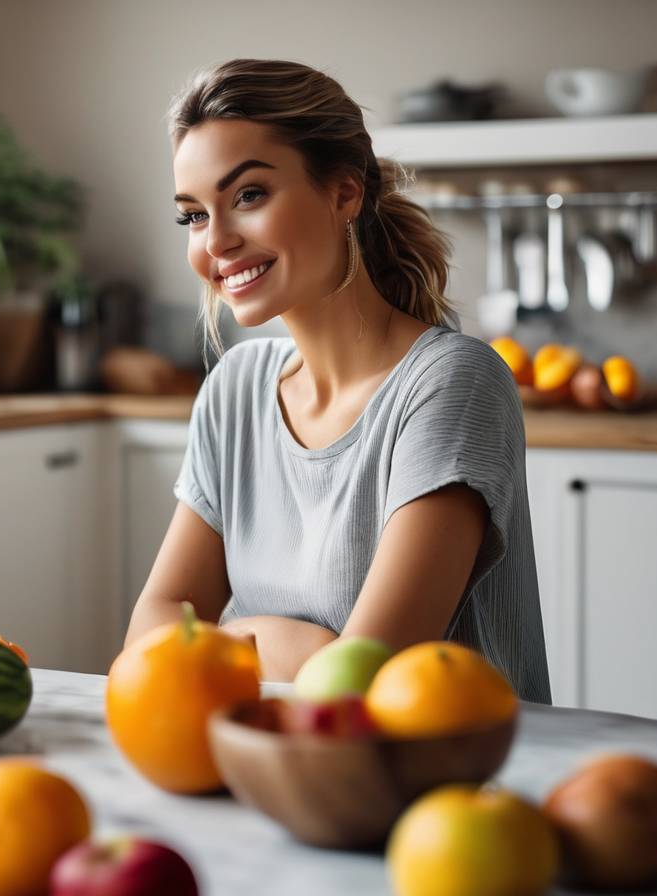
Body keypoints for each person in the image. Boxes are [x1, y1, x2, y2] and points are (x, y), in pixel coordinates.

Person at [123, 59, 550, 702]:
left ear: (345, 192)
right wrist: (301, 648)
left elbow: (363, 685)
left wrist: (226, 639)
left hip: (455, 784)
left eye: (247, 196)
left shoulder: (451, 383)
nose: (216, 243)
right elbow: (145, 644)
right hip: (281, 767)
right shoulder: (234, 390)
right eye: (194, 215)